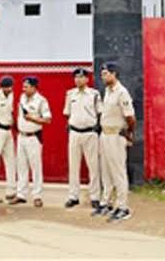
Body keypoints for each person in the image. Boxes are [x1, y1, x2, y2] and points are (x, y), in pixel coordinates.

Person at [92, 62, 136, 223]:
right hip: (105, 135)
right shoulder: (108, 91)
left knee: (118, 172)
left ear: (114, 74)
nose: (103, 77)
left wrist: (129, 133)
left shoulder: (121, 92)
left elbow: (130, 117)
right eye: (102, 74)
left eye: (105, 74)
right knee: (106, 171)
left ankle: (123, 207)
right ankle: (106, 203)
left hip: (116, 136)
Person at [9, 76, 51, 207]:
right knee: (21, 166)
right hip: (21, 136)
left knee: (35, 167)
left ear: (34, 87)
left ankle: (37, 195)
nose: (23, 89)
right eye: (23, 86)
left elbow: (48, 120)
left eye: (26, 86)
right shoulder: (22, 98)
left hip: (34, 137)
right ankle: (21, 194)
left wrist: (32, 119)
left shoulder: (41, 101)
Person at [63, 67, 101, 209]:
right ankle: (73, 196)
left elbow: (99, 113)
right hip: (74, 133)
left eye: (81, 77)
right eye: (76, 77)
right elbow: (67, 113)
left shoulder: (94, 94)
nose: (78, 80)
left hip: (90, 133)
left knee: (93, 166)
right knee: (73, 166)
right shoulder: (70, 94)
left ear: (87, 79)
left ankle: (95, 197)